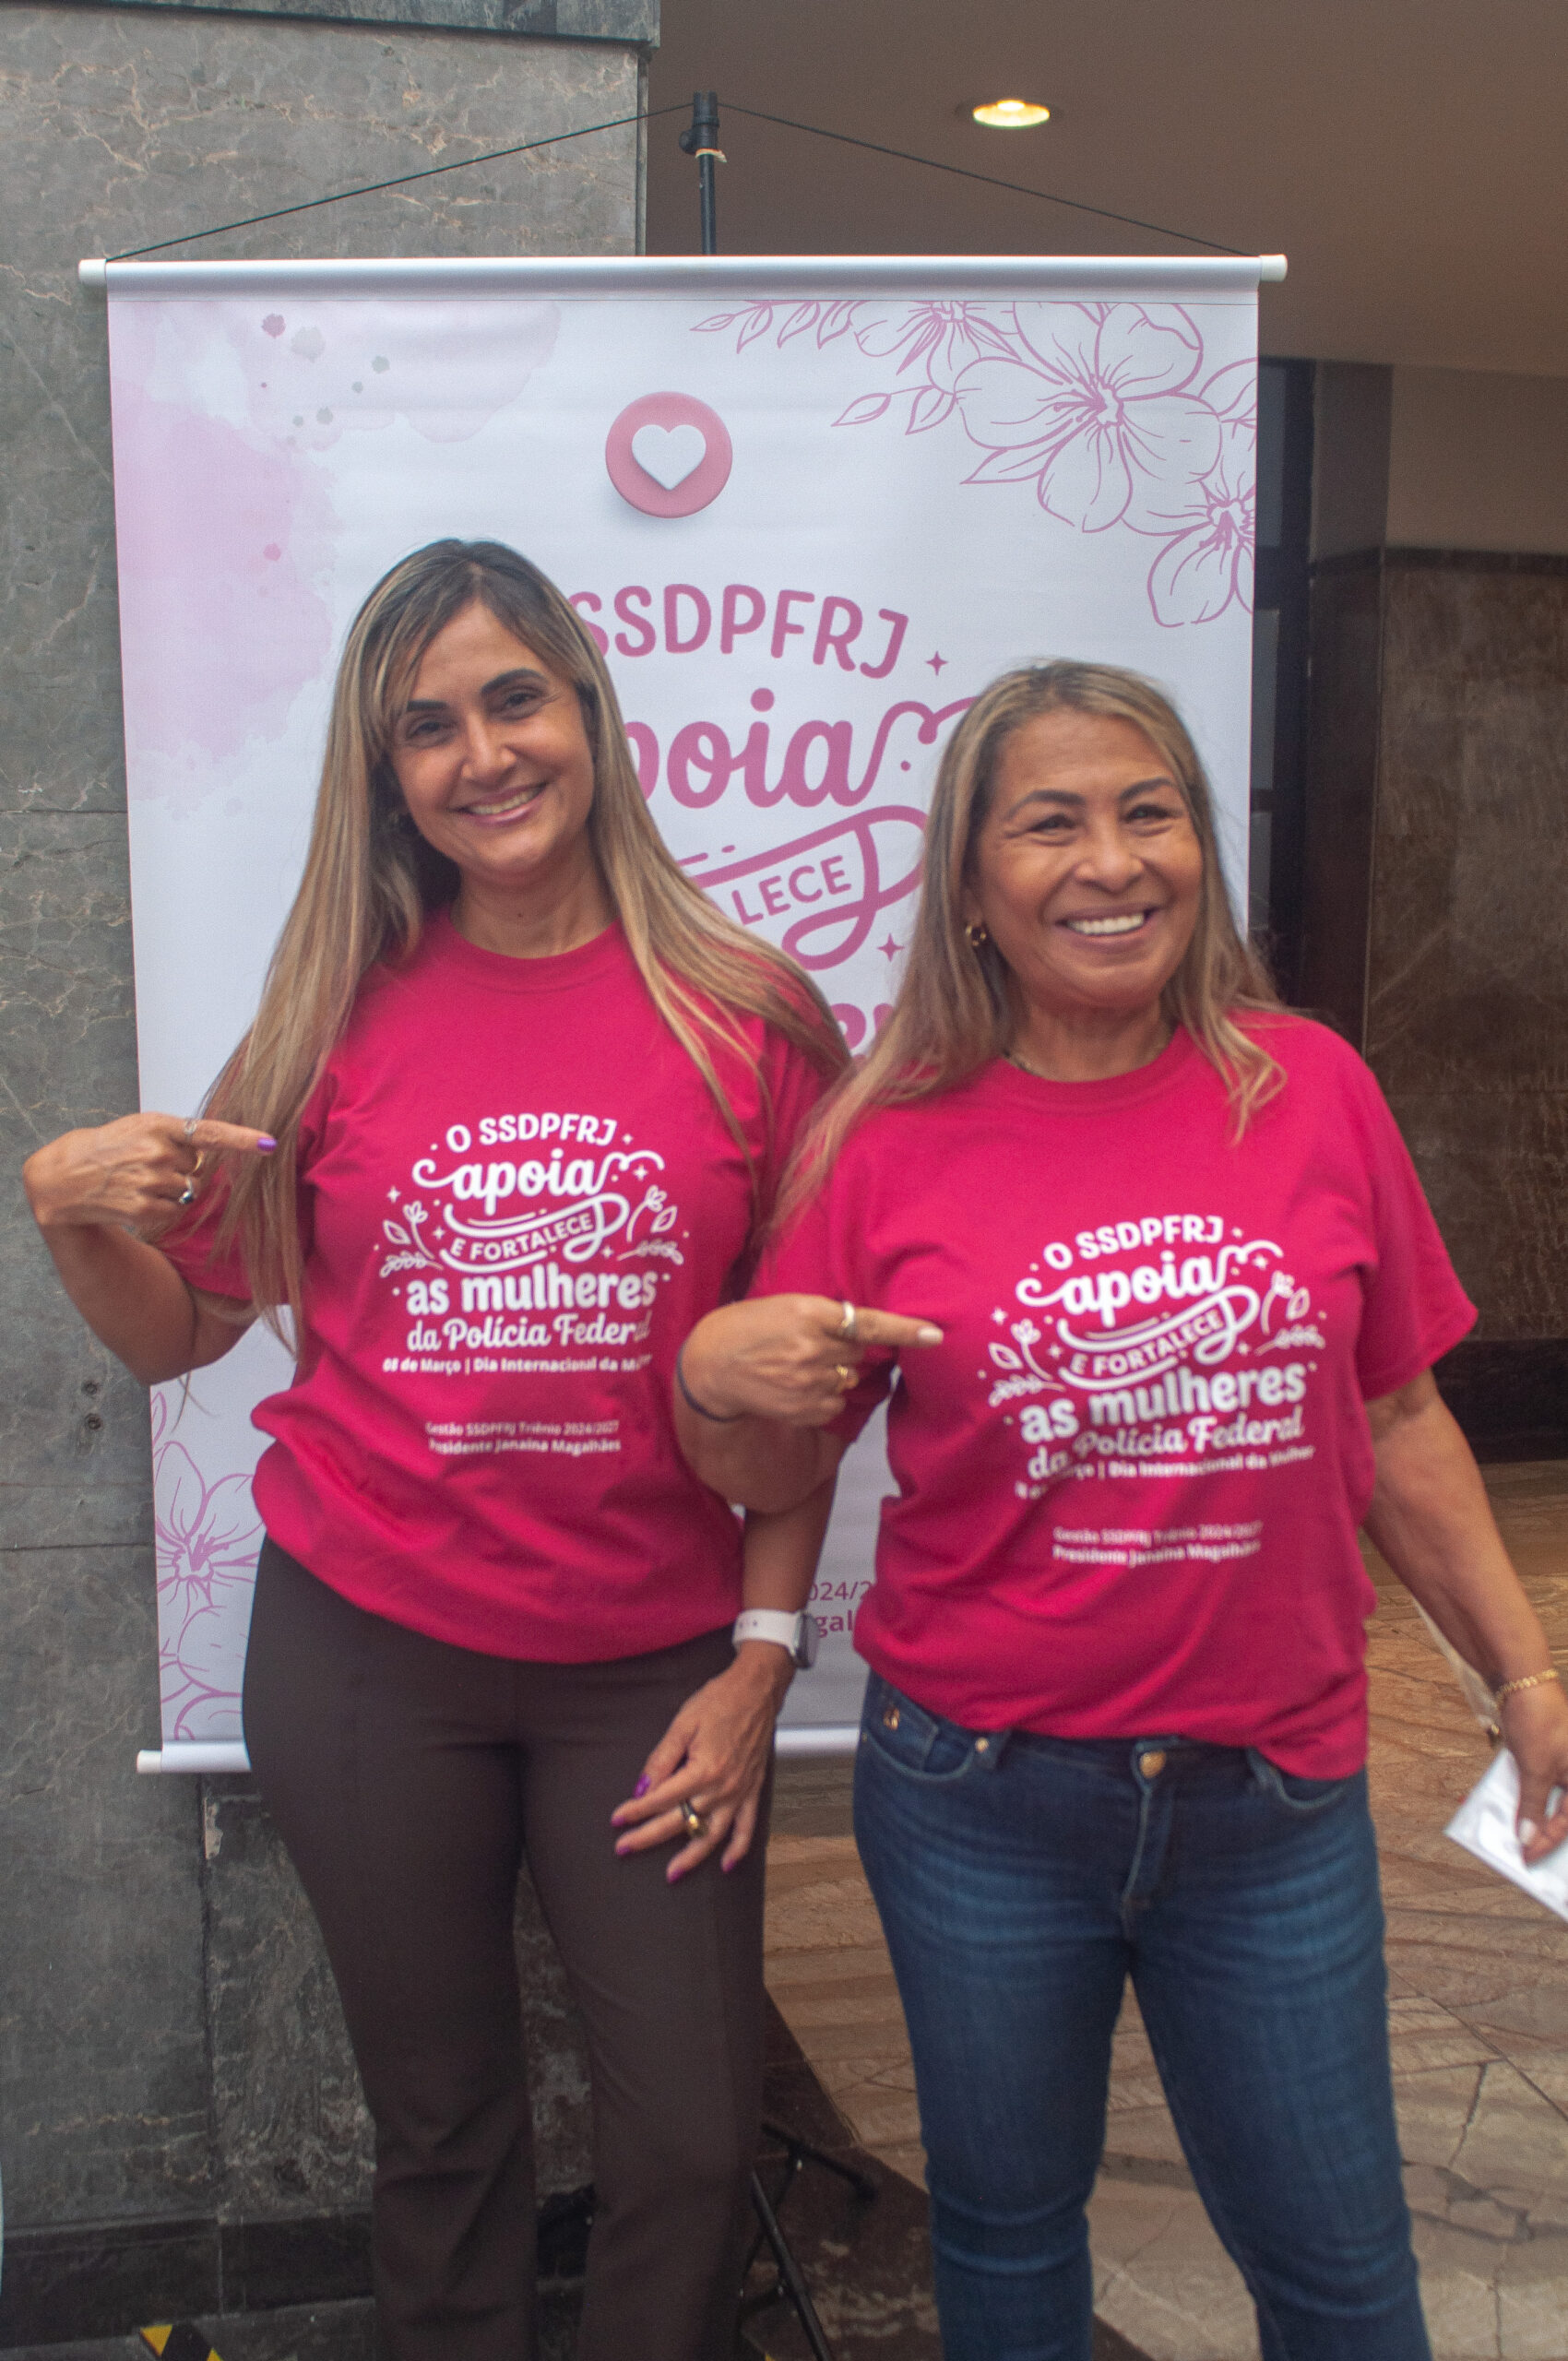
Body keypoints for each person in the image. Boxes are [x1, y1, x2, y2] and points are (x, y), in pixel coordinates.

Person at [671, 660, 1568, 2361]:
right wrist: (716, 1379)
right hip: (981, 1798)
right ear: (971, 885)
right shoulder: (882, 1141)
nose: (1111, 861)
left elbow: (1399, 1412)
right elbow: (777, 1473)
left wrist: (1523, 1671)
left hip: (1275, 1799)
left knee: (1345, 2275)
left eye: (1149, 812)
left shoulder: (1312, 1087)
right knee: (1009, 2244)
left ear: (1199, 849)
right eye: (1051, 823)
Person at [22, 540, 851, 2361]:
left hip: (649, 1662)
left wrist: (760, 1657)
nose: (482, 753)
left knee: (690, 2139)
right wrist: (70, 1214)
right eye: (426, 724)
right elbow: (180, 1329)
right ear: (385, 770)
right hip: (366, 1656)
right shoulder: (333, 1010)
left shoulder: (754, 1014)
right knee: (445, 2131)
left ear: (588, 713)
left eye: (513, 698)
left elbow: (805, 1389)